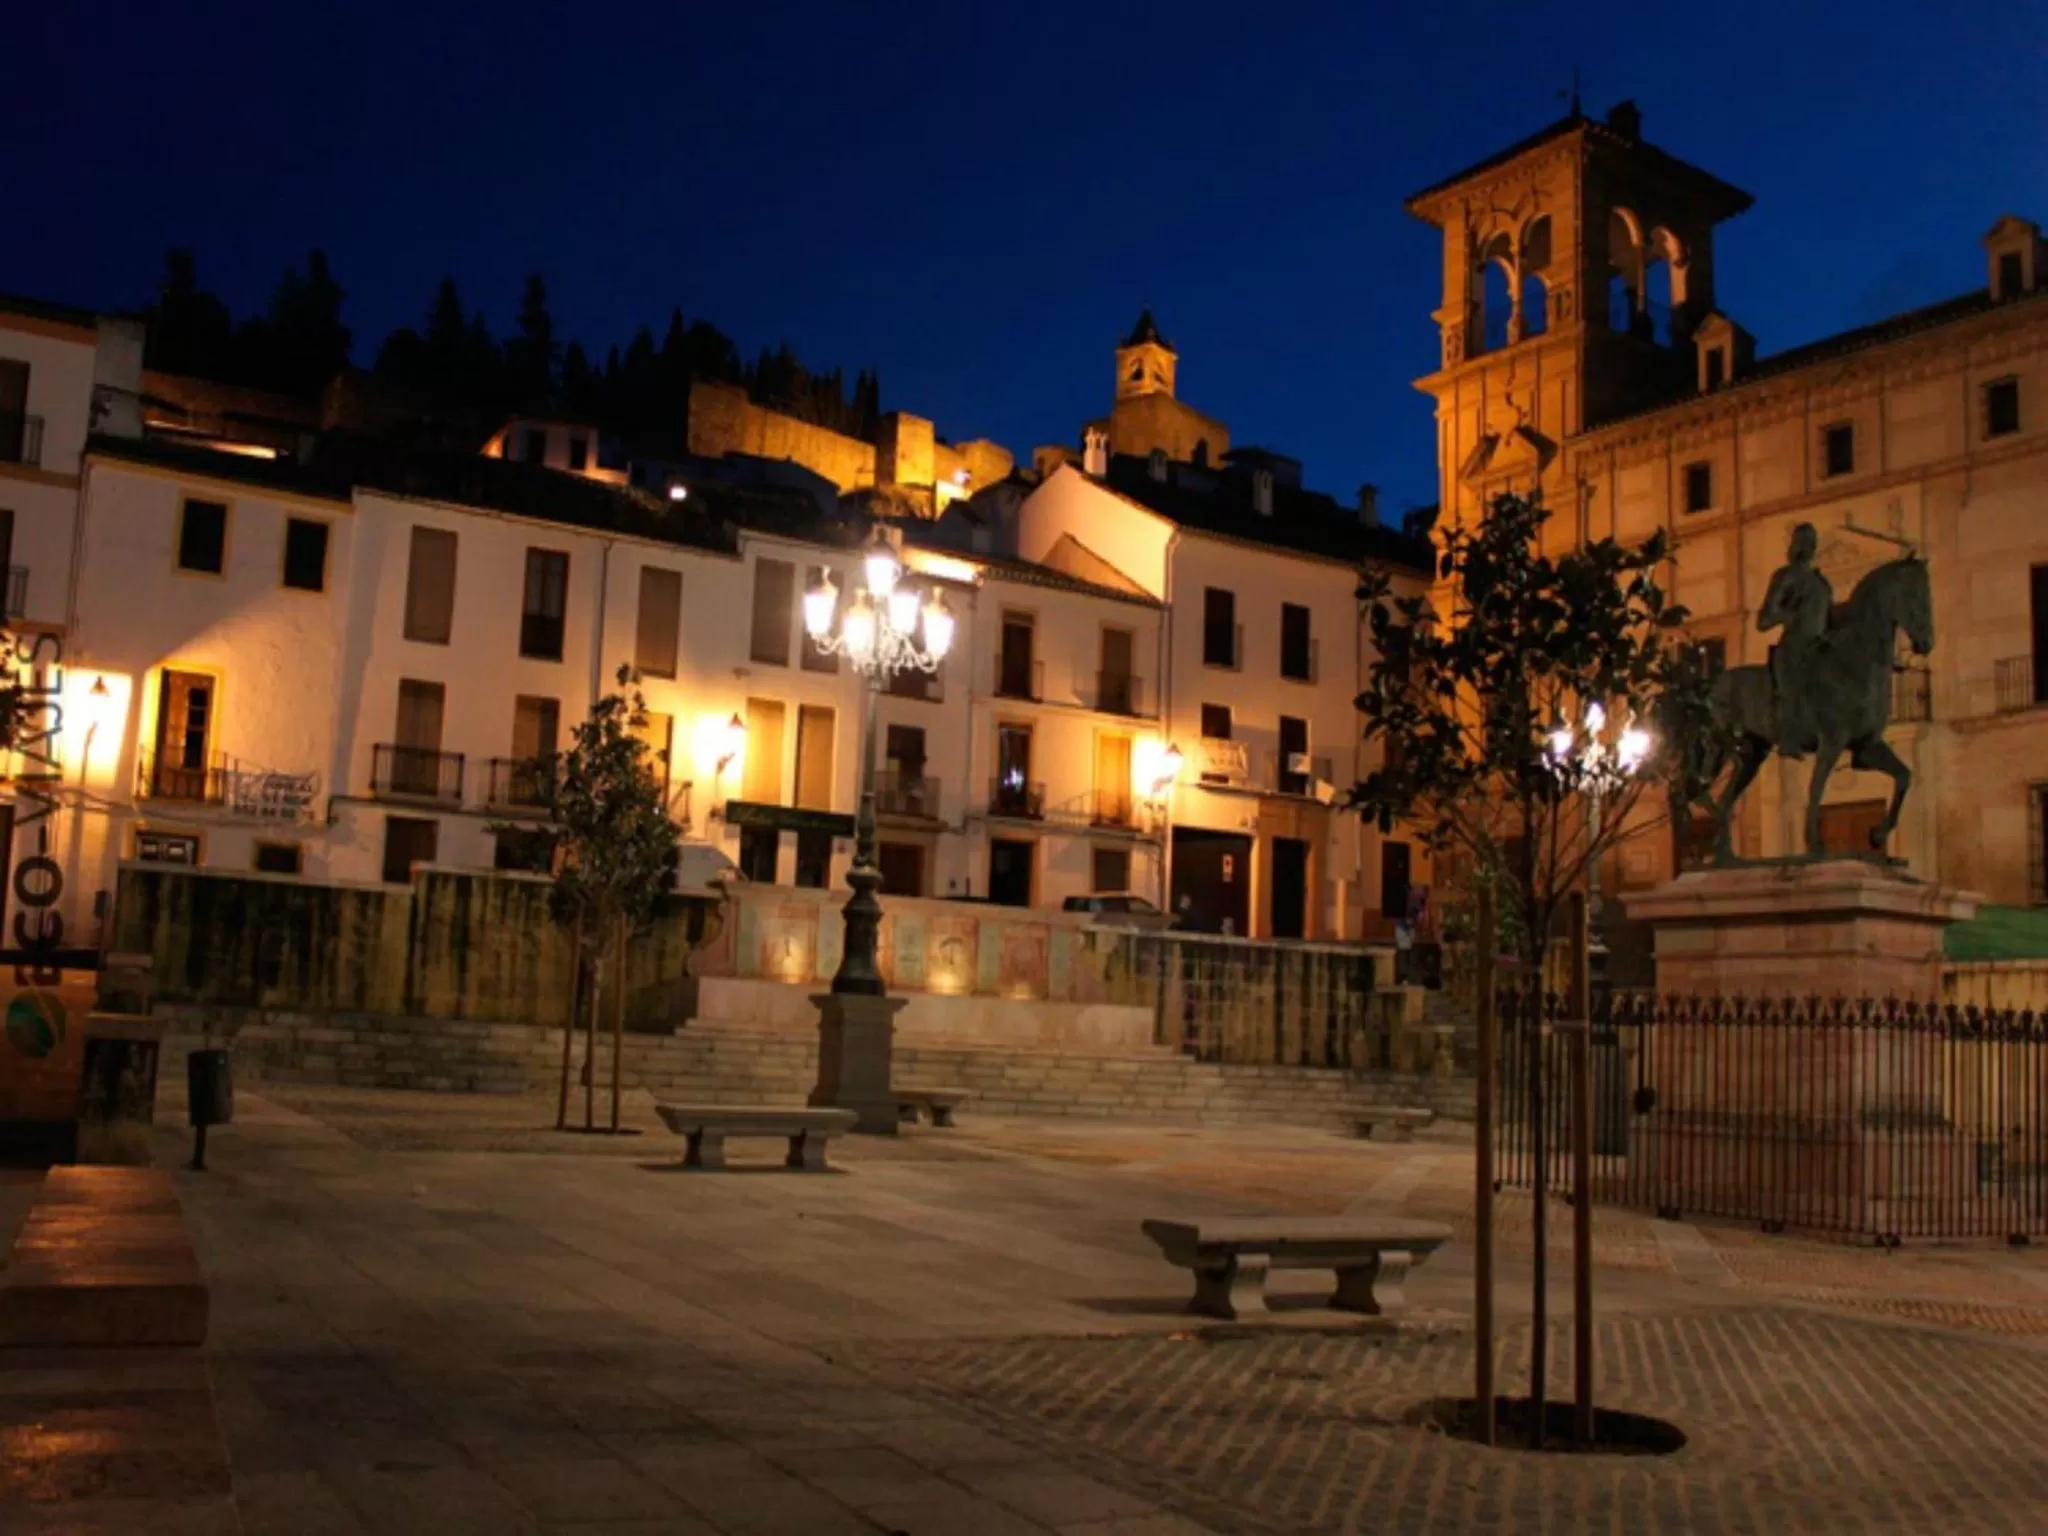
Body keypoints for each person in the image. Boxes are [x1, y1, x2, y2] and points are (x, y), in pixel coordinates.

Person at [1758, 522, 1833, 758]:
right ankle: (1789, 737)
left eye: (1811, 542)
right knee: (1793, 684)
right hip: (1794, 646)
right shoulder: (1785, 577)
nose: (1807, 546)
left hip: (1820, 645)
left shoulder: (1822, 583)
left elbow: (1830, 617)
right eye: (1803, 541)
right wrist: (1786, 615)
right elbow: (1763, 621)